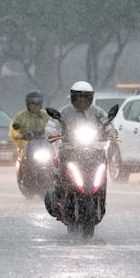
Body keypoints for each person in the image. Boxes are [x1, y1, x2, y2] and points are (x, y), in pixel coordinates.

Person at [44, 81, 117, 219]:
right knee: (61, 171)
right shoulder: (65, 112)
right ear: (73, 97)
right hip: (70, 150)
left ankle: (100, 197)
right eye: (78, 97)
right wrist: (52, 132)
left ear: (90, 98)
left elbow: (108, 123)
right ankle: (61, 194)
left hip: (93, 150)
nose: (82, 100)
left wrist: (112, 132)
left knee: (102, 171)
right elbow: (52, 123)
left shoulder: (97, 112)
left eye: (85, 97)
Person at [9, 91, 50, 156]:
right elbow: (13, 129)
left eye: (38, 104)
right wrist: (19, 135)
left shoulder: (46, 116)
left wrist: (56, 133)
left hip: (44, 145)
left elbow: (54, 126)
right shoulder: (20, 116)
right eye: (33, 104)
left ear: (41, 105)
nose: (35, 107)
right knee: (22, 160)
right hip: (26, 147)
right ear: (28, 104)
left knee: (55, 158)